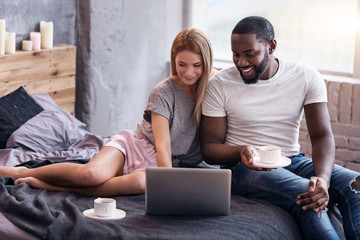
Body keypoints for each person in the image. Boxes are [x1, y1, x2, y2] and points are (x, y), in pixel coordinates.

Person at [0, 28, 215, 197]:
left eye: (197, 65)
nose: (189, 72)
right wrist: (168, 186)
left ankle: (53, 186)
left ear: (206, 61)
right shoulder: (163, 92)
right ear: (174, 60)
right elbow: (163, 146)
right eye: (181, 64)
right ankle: (23, 172)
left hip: (169, 164)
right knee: (91, 174)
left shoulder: (214, 86)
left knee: (140, 183)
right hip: (135, 148)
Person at [200, 16, 360, 240]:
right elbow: (209, 147)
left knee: (356, 186)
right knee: (307, 193)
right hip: (244, 169)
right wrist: (241, 150)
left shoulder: (305, 77)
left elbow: (322, 135)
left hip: (293, 160)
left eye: (250, 54)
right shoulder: (220, 85)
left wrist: (323, 178)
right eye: (236, 54)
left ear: (271, 46)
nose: (241, 62)